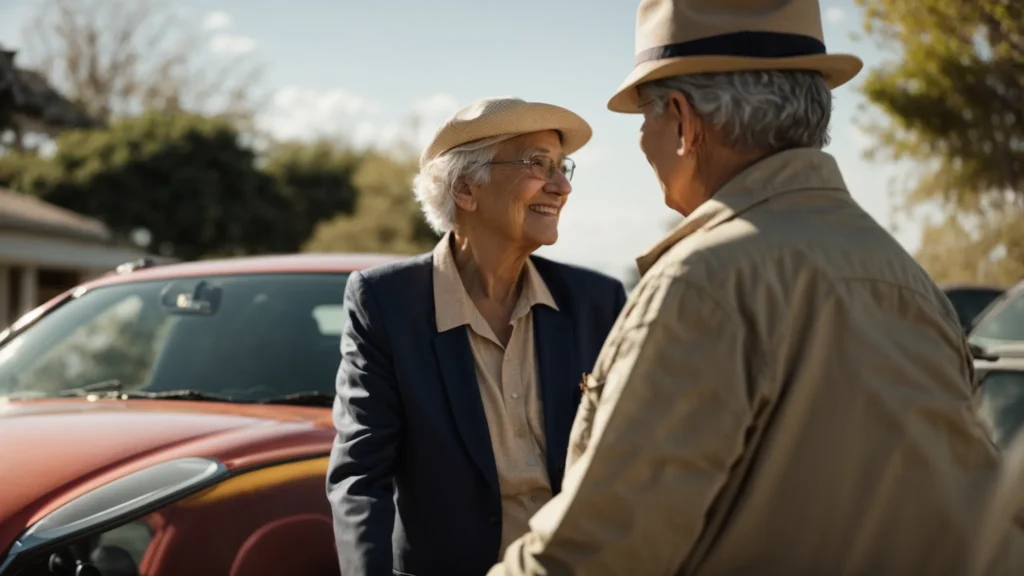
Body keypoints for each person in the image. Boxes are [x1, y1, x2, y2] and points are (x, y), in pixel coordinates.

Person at [488, 1, 1024, 574]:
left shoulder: (701, 284)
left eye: (645, 115)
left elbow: (590, 556)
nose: (643, 140)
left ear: (684, 121)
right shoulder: (908, 281)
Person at [327, 96, 628, 576]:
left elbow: (630, 459)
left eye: (562, 166)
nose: (562, 185)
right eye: (537, 164)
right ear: (465, 189)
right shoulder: (386, 302)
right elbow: (361, 475)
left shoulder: (597, 301)